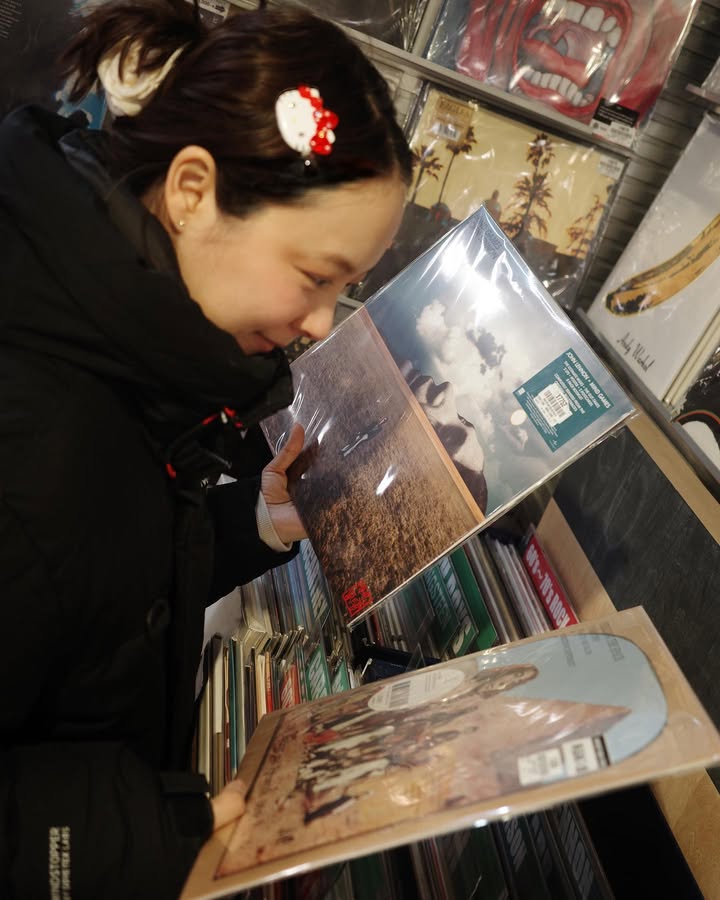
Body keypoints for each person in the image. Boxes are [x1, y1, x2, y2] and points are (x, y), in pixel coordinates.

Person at [0, 0, 412, 897]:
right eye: (316, 276)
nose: (320, 323)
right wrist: (134, 839)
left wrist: (253, 523)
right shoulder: (33, 430)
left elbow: (95, 588)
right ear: (192, 191)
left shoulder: (122, 343)